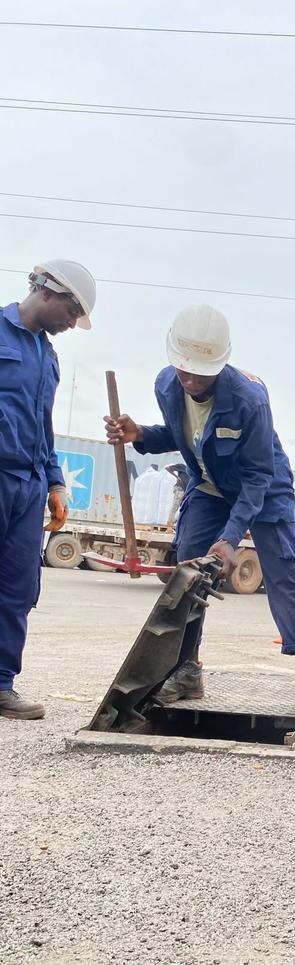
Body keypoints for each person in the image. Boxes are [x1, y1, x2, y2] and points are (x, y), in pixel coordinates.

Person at [103, 304, 295, 712]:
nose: (191, 380)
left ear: (220, 363)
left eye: (200, 373)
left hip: (264, 487)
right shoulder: (167, 384)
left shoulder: (249, 400)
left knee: (283, 573)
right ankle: (187, 669)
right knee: (189, 571)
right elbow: (185, 435)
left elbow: (258, 476)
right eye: (184, 371)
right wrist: (140, 434)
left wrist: (230, 538)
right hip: (210, 486)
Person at [0, 260, 96, 721]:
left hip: (29, 485)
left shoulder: (48, 355)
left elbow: (43, 426)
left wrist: (55, 481)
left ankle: (1, 684)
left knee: (18, 588)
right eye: (72, 313)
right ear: (49, 292)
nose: (72, 324)